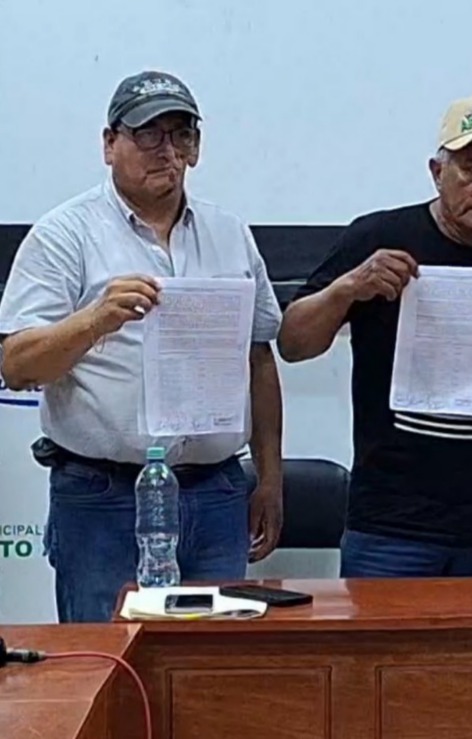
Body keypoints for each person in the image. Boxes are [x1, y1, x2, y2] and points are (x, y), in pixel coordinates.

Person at [0, 71, 284, 622]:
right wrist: (95, 320)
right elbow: (16, 365)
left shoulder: (230, 234)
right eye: (148, 133)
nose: (167, 150)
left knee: (213, 665)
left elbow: (258, 358)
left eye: (181, 134)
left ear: (196, 148)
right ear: (110, 144)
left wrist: (270, 478)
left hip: (216, 493)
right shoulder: (64, 235)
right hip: (104, 497)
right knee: (105, 659)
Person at [278, 93, 472, 577]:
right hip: (393, 527)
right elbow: (293, 343)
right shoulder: (379, 237)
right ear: (437, 172)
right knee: (382, 634)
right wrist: (349, 287)